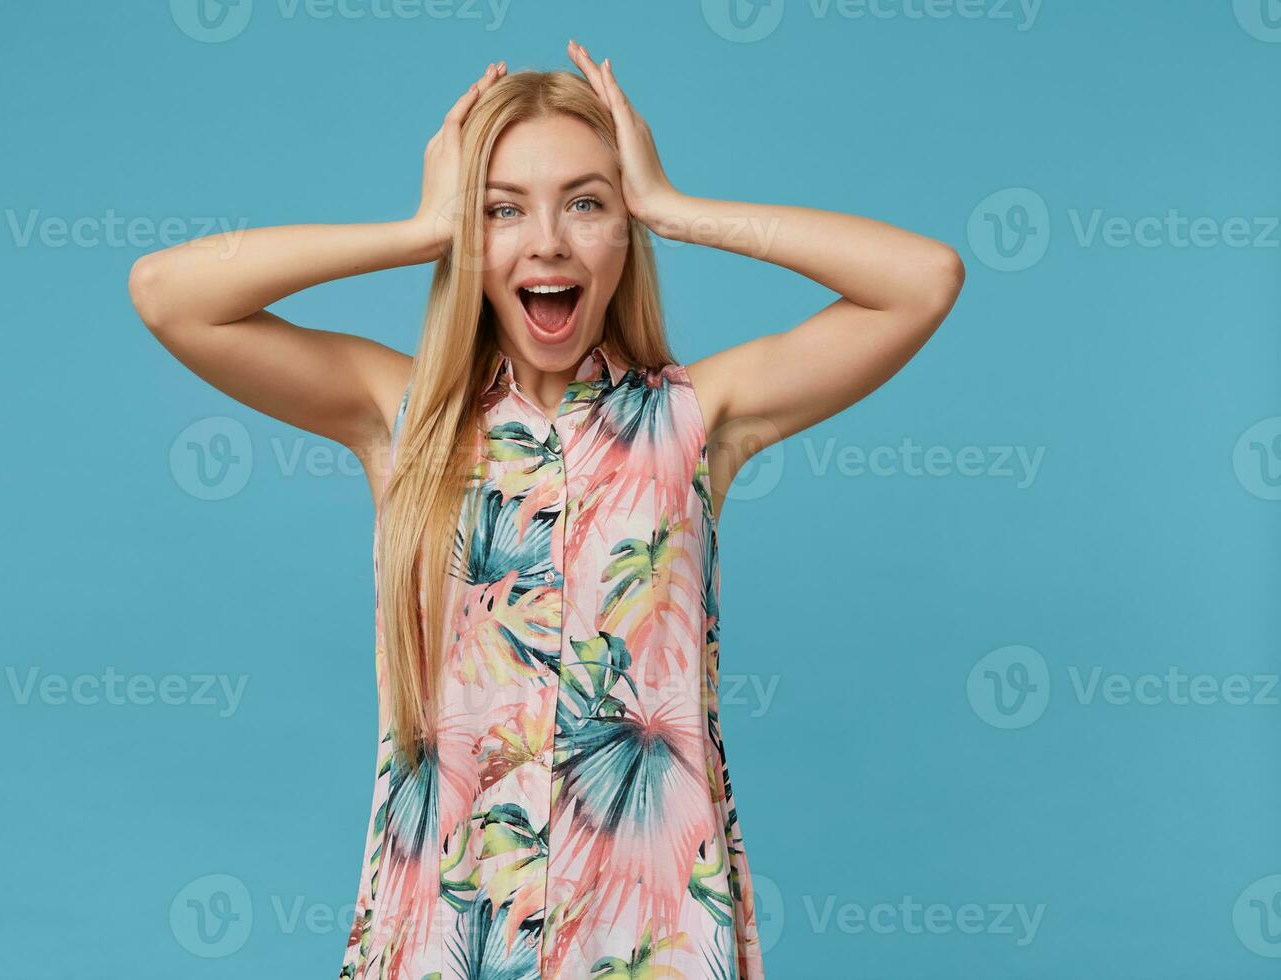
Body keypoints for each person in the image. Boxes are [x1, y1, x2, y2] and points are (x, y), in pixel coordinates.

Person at [128, 39, 963, 980]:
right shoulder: (400, 418)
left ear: (622, 235)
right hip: (446, 942)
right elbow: (168, 295)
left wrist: (674, 207)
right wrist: (414, 230)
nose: (550, 241)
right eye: (503, 210)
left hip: (648, 945)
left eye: (587, 203)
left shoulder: (695, 418)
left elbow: (922, 280)